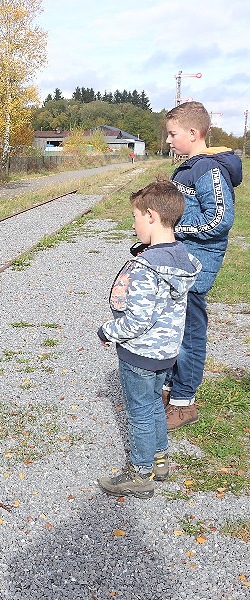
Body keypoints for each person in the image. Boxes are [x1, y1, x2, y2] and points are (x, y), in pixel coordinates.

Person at [97, 180, 201, 498]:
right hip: (166, 352)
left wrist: (107, 331)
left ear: (152, 216)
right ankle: (159, 460)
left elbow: (137, 321)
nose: (133, 225)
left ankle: (140, 474)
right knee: (155, 403)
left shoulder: (146, 268)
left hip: (141, 353)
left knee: (140, 410)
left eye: (136, 217)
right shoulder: (182, 258)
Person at [164, 101, 242, 430]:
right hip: (179, 261)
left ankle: (184, 404)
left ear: (193, 133)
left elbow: (220, 218)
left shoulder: (208, 169)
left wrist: (175, 228)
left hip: (195, 267)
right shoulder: (187, 167)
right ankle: (169, 390)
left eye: (173, 134)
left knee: (190, 336)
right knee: (171, 329)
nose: (168, 141)